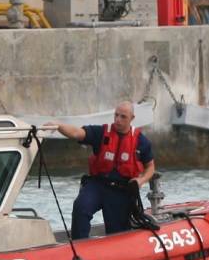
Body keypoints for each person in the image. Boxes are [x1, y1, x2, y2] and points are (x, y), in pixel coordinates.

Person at [46, 101, 156, 240]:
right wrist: (58, 126)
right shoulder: (101, 133)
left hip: (121, 191)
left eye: (123, 117)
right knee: (81, 207)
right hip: (98, 185)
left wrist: (141, 180)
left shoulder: (141, 141)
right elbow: (76, 133)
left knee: (117, 234)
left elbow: (150, 167)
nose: (118, 120)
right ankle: (79, 245)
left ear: (132, 118)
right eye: (116, 115)